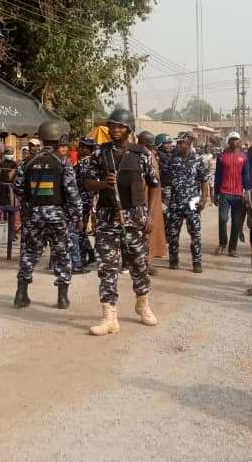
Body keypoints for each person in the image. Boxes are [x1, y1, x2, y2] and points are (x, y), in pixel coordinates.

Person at [81, 108, 161, 336]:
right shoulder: (99, 153)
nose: (115, 130)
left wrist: (151, 216)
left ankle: (142, 304)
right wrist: (103, 184)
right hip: (108, 218)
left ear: (129, 129)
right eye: (112, 126)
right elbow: (87, 182)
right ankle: (109, 317)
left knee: (139, 264)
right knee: (107, 267)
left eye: (120, 126)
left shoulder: (142, 154)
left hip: (135, 219)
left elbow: (154, 186)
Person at [13, 120, 83, 310]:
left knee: (29, 254)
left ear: (42, 138)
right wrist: (75, 217)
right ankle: (62, 298)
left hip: (34, 216)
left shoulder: (27, 162)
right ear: (59, 138)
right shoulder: (63, 163)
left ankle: (21, 294)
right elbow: (72, 194)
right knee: (62, 255)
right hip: (57, 217)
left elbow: (18, 189)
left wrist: (29, 206)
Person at [164, 133, 208, 273]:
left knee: (195, 234)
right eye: (178, 143)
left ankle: (197, 262)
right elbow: (166, 180)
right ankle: (174, 260)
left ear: (189, 144)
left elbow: (204, 180)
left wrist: (203, 199)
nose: (178, 145)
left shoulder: (197, 159)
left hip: (192, 203)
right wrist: (166, 199)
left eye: (181, 143)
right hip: (175, 203)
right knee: (173, 234)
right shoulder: (172, 160)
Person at [214, 131, 250, 257]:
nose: (235, 142)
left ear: (239, 141)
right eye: (232, 139)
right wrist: (215, 193)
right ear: (228, 141)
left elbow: (246, 176)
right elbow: (218, 175)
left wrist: (248, 192)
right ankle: (222, 243)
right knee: (223, 219)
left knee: (236, 222)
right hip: (224, 192)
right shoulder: (221, 157)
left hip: (238, 194)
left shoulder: (244, 157)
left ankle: (232, 248)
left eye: (237, 140)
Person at [137, 131, 168, 272]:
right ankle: (144, 262)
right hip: (144, 199)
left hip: (150, 197)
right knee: (145, 230)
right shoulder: (144, 156)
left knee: (146, 230)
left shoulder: (146, 155)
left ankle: (145, 260)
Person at [75, 137, 99, 269]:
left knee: (80, 228)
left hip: (83, 200)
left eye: (85, 147)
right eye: (81, 146)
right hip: (82, 199)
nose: (81, 149)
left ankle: (83, 257)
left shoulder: (87, 163)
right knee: (81, 229)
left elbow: (85, 182)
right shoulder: (83, 162)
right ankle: (89, 252)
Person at [0, 148, 20, 261]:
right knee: (0, 218)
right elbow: (2, 177)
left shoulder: (15, 165)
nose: (9, 154)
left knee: (13, 220)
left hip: (12, 193)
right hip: (1, 192)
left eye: (11, 153)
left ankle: (12, 240)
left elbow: (13, 179)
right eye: (7, 153)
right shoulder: (0, 164)